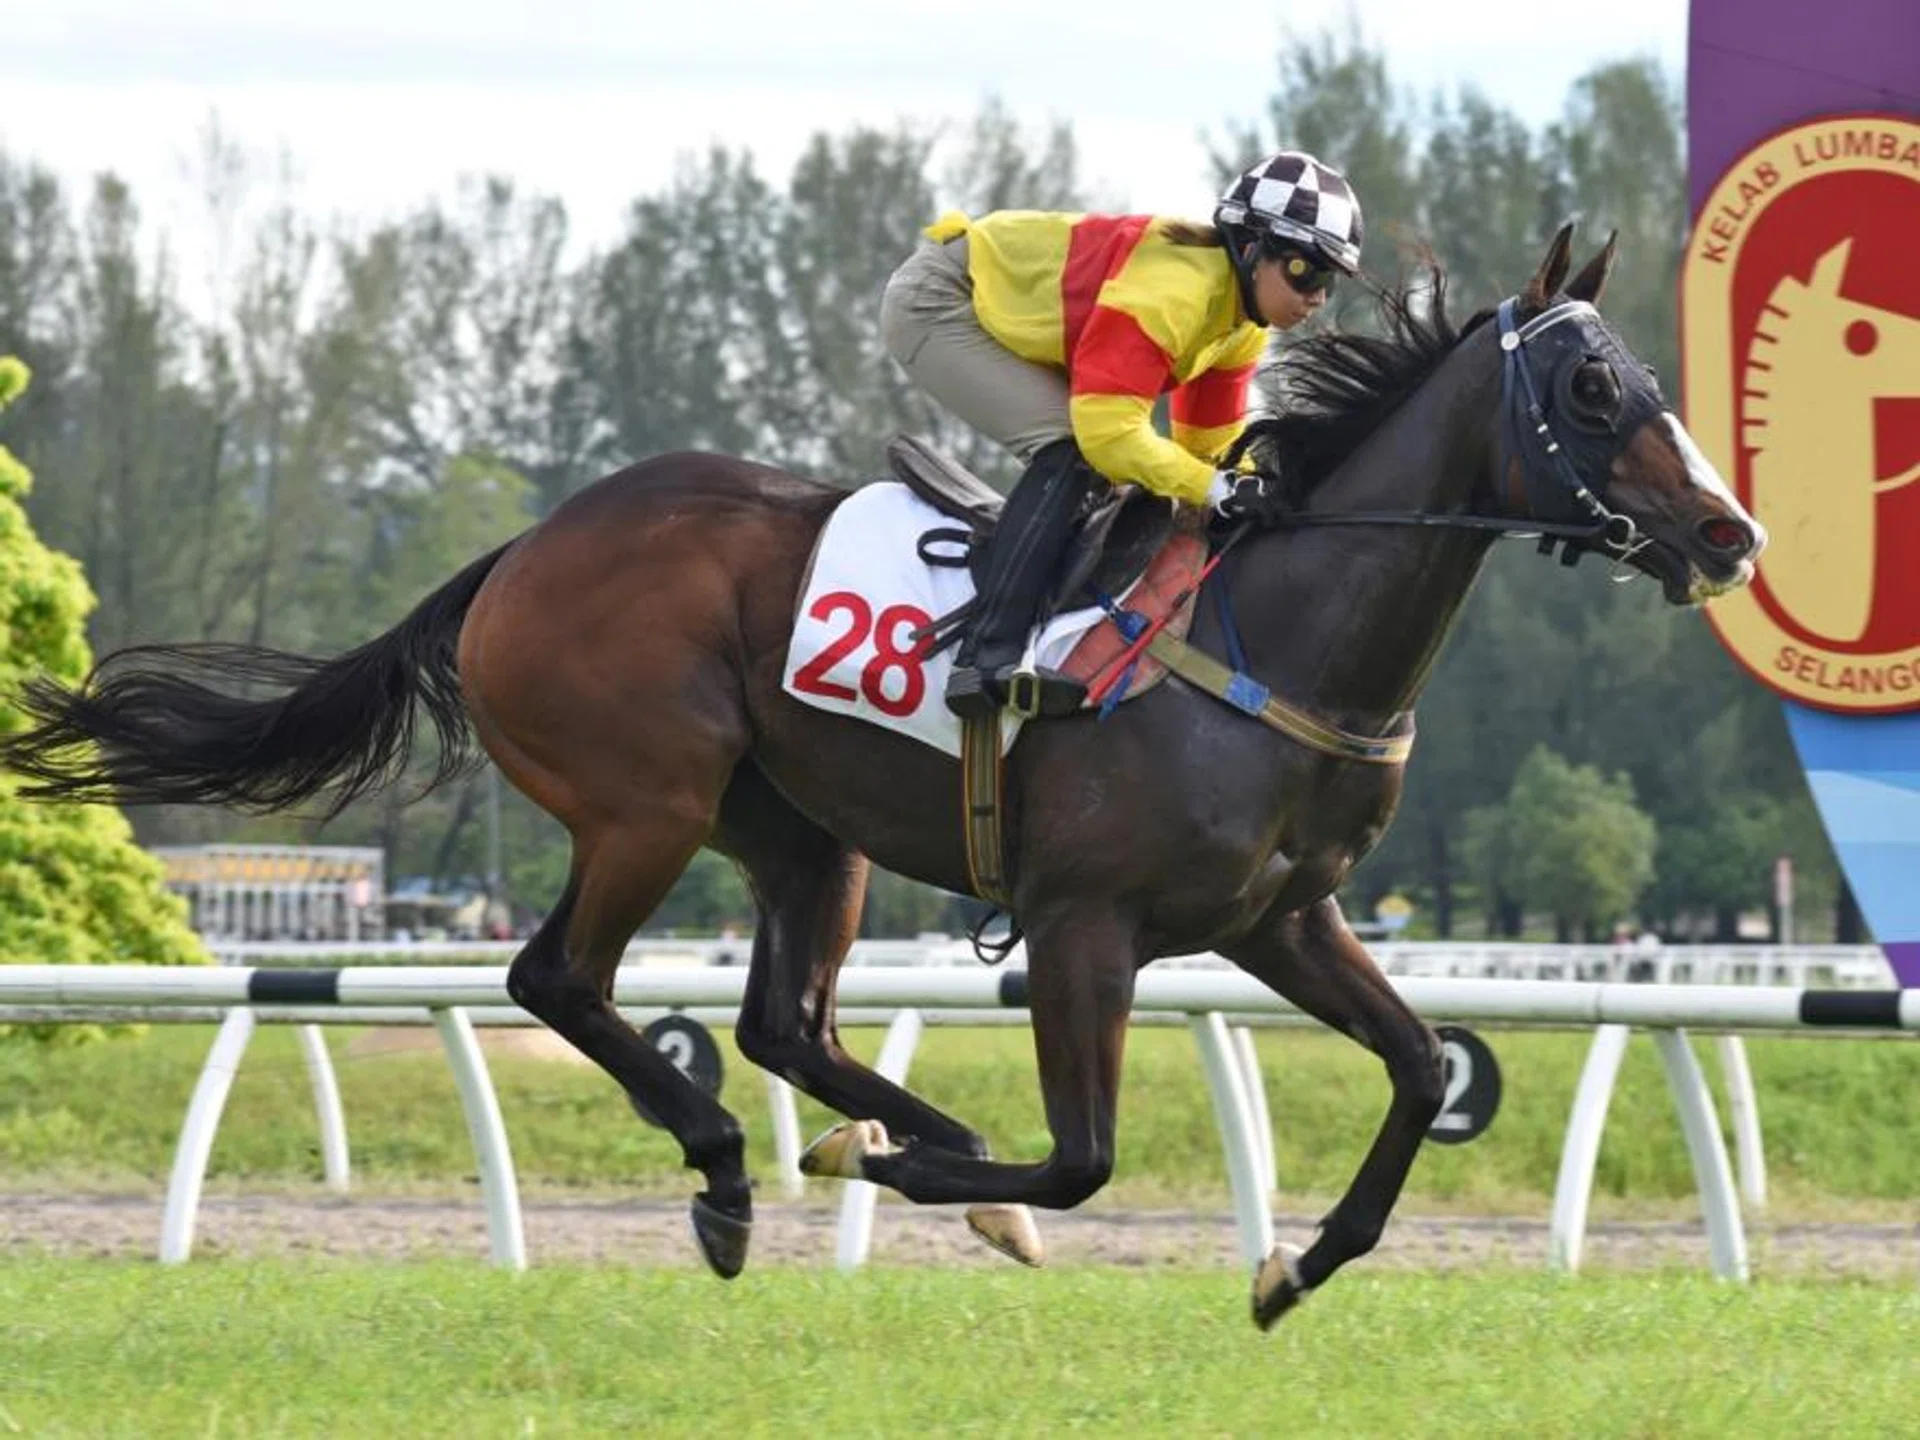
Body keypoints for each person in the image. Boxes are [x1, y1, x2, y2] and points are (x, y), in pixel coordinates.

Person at [879, 150, 1365, 719]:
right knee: (1074, 451)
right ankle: (985, 660)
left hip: (1001, 314)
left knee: (1127, 470)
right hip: (940, 301)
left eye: (1329, 281)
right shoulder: (1172, 293)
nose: (1317, 297)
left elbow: (1207, 448)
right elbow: (1108, 437)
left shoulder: (1241, 325)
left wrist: (1252, 488)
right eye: (1306, 271)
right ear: (1253, 249)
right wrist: (1217, 487)